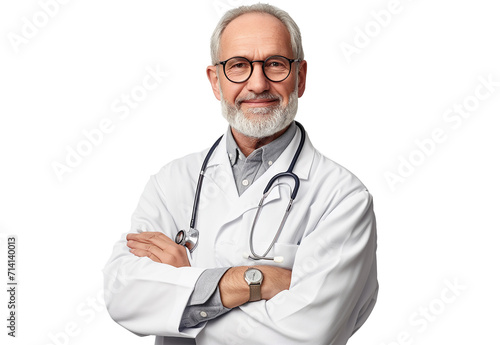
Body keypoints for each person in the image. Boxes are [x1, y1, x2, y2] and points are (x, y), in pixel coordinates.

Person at [103, 3, 378, 345]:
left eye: (275, 64)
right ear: (215, 81)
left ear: (301, 77)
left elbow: (305, 335)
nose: (258, 83)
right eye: (238, 66)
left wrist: (182, 289)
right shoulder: (172, 181)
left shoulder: (342, 198)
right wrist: (254, 281)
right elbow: (122, 294)